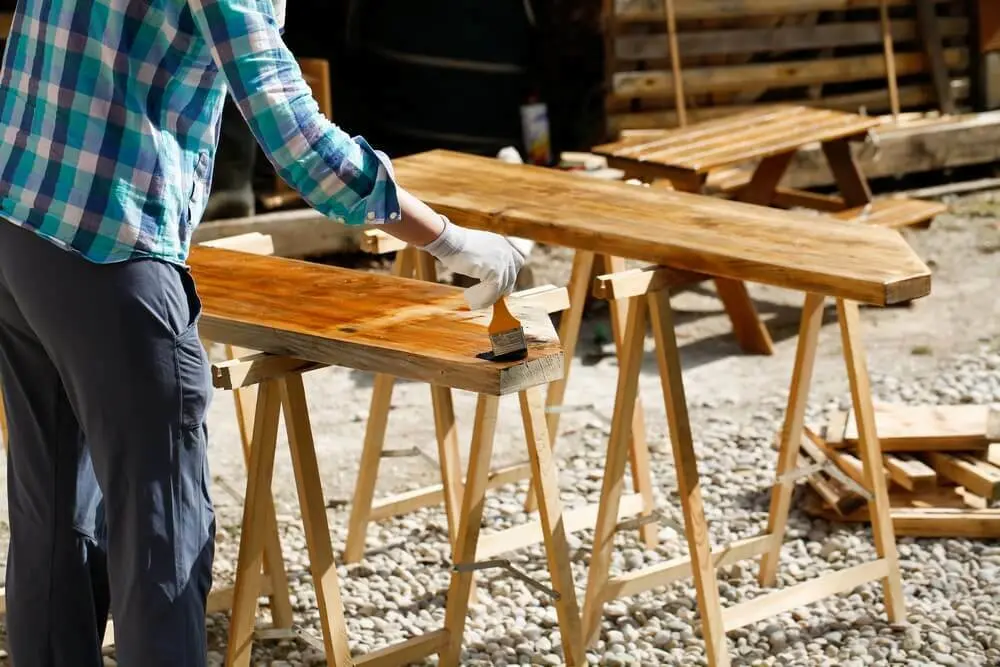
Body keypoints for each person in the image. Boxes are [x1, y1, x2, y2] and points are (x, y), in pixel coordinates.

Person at [0, 1, 526, 665]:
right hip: (113, 255)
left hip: (17, 225)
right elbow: (295, 140)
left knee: (53, 528)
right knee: (159, 546)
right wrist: (446, 237)